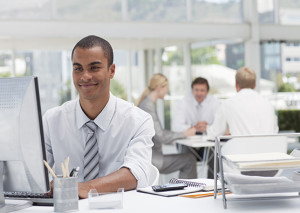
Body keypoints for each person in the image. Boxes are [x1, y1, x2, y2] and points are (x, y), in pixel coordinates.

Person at [43, 35, 155, 198]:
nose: (85, 76)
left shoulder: (138, 121)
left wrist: (84, 188)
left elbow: (137, 173)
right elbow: (34, 174)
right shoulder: (52, 120)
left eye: (94, 68)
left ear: (112, 71)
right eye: (78, 68)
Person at [138, 73, 197, 179]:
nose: (167, 91)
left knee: (188, 158)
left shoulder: (147, 103)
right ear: (160, 87)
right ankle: (185, 193)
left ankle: (183, 191)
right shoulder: (147, 105)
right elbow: (160, 136)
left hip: (152, 157)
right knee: (190, 160)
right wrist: (184, 133)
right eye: (166, 88)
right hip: (153, 160)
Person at [206, 66, 278, 137]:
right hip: (268, 148)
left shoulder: (227, 104)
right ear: (255, 84)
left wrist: (206, 128)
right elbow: (274, 131)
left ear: (236, 84)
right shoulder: (268, 104)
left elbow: (215, 133)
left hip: (241, 148)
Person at [172, 77, 219, 179]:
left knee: (216, 154)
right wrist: (193, 127)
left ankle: (213, 187)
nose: (199, 93)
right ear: (192, 90)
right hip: (188, 144)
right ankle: (189, 188)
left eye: (202, 90)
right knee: (187, 156)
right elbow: (176, 127)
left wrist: (207, 127)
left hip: (207, 145)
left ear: (207, 91)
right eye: (196, 90)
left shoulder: (214, 102)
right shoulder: (183, 102)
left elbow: (219, 126)